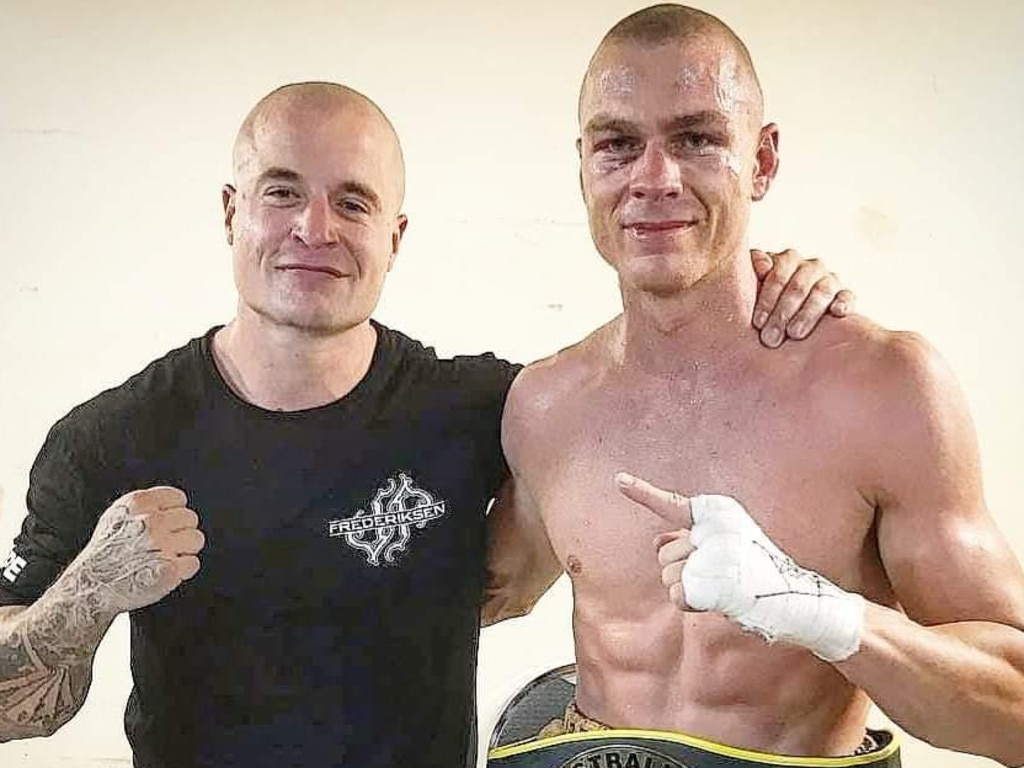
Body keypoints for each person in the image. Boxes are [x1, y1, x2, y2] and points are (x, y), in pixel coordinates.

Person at [0, 82, 849, 767]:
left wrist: (757, 286)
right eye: (282, 192)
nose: (314, 228)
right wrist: (84, 595)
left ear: (395, 236)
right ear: (232, 211)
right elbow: (19, 717)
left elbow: (638, 386)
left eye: (353, 202)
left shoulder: (477, 409)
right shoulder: (107, 439)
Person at [486, 5, 1024, 768]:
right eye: (618, 145)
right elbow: (462, 593)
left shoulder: (883, 391)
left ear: (763, 161)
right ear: (583, 169)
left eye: (697, 139)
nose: (653, 178)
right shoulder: (544, 404)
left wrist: (822, 614)